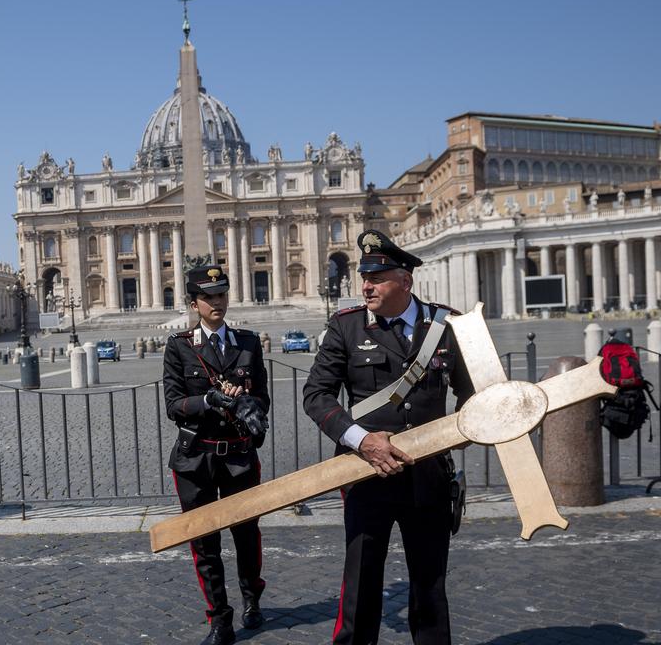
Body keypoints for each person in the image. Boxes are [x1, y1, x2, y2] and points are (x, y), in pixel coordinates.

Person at [303, 231, 474, 645]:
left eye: (377, 278)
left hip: (428, 474)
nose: (366, 285)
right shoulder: (345, 327)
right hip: (366, 474)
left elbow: (471, 393)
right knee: (361, 582)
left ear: (405, 282)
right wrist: (361, 440)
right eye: (364, 276)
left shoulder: (445, 326)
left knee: (430, 585)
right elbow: (317, 395)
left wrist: (466, 427)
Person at [163, 265, 271, 645]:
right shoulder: (178, 345)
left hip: (239, 456)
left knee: (247, 534)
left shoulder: (248, 343)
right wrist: (207, 400)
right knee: (204, 542)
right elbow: (174, 404)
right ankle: (219, 617)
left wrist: (253, 409)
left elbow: (262, 395)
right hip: (197, 459)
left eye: (222, 295)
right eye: (209, 297)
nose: (217, 302)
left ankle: (251, 597)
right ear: (194, 303)